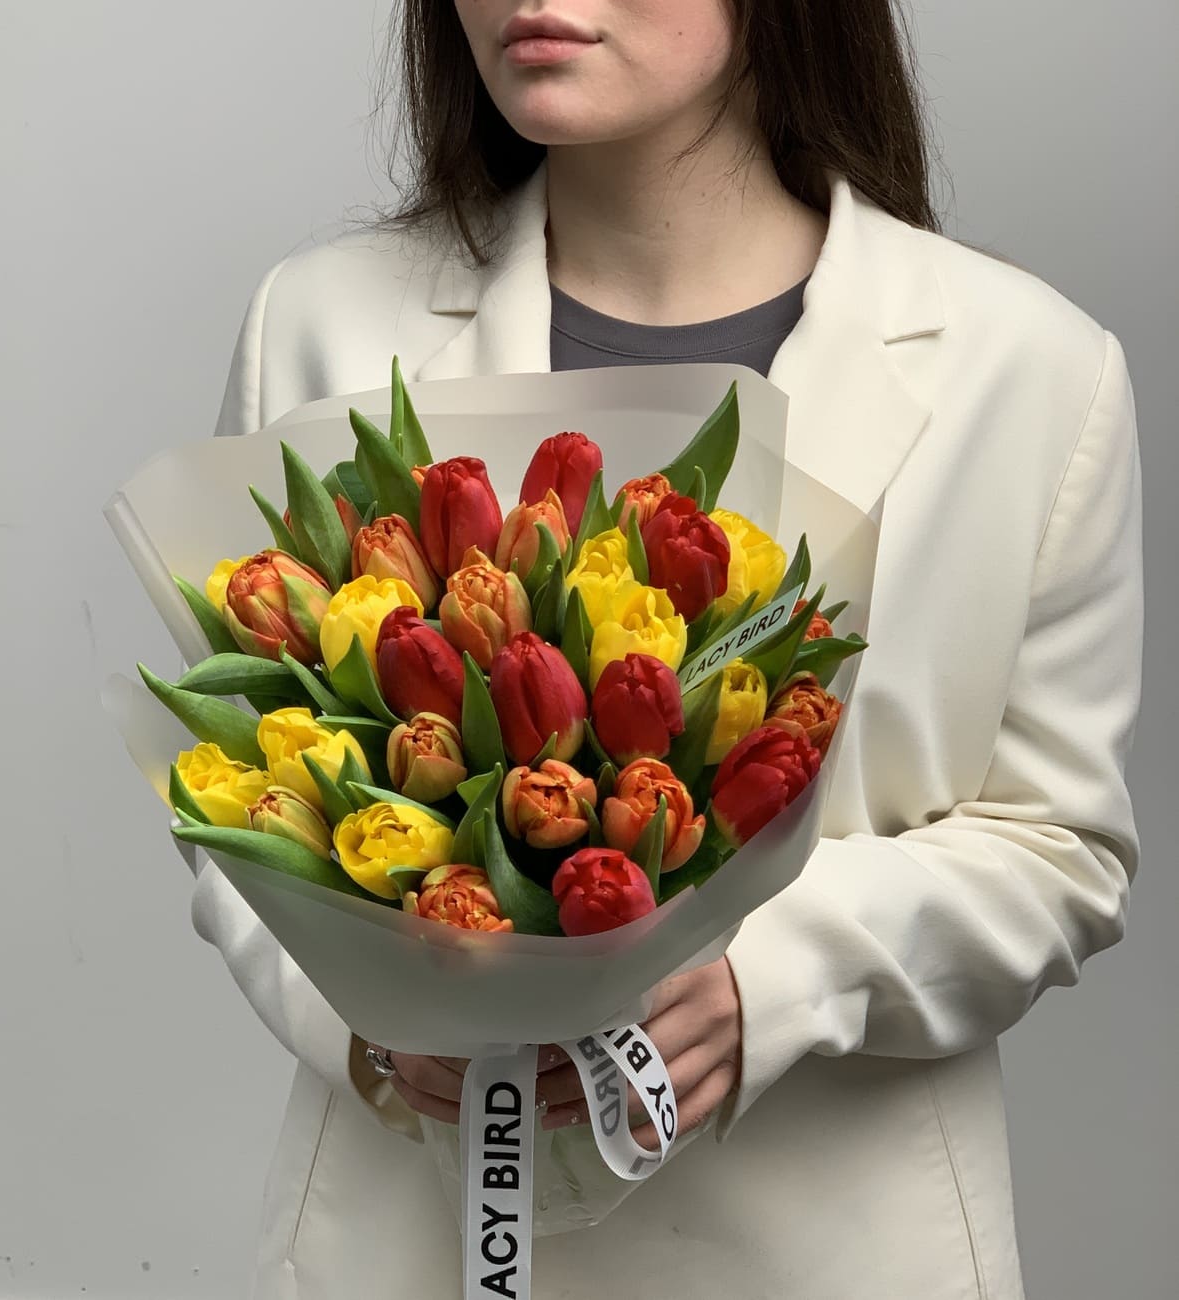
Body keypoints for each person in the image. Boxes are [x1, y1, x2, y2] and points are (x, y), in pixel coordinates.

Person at [194, 2, 1144, 1296]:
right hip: (410, 1236)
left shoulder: (1028, 370)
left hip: (831, 1244)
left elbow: (1058, 846)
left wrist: (776, 979)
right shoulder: (323, 321)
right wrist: (373, 1029)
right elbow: (236, 806)